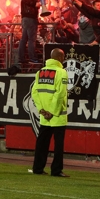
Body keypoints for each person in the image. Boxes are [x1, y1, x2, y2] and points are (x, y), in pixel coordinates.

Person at [31, 48, 69, 177]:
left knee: (42, 142)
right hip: (57, 115)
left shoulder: (40, 72)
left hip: (44, 115)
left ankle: (37, 168)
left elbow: (34, 92)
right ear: (59, 58)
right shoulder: (61, 72)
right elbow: (60, 94)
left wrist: (41, 109)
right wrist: (52, 111)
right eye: (63, 57)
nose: (63, 59)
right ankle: (56, 170)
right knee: (58, 145)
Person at [18, 0, 41, 66]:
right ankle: (32, 58)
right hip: (30, 18)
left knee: (24, 39)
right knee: (31, 39)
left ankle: (21, 58)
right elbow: (25, 0)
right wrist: (35, 4)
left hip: (26, 18)